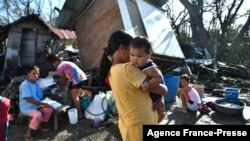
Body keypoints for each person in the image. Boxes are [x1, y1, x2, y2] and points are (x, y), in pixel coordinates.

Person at [100, 30, 168, 141]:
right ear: (122, 48)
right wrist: (161, 99)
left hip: (128, 123)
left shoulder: (111, 71)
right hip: (141, 124)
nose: (134, 58)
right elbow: (162, 90)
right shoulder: (127, 68)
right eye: (132, 53)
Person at [130, 36, 165, 123]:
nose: (135, 59)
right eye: (132, 55)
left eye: (139, 56)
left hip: (157, 97)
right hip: (148, 98)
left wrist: (149, 84)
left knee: (160, 112)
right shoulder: (136, 65)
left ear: (149, 55)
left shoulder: (150, 69)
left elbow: (159, 78)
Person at [47, 54, 87, 118]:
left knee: (75, 97)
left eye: (53, 64)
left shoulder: (59, 67)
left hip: (77, 80)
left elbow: (63, 79)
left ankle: (80, 114)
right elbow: (66, 76)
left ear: (55, 62)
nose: (53, 66)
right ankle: (78, 110)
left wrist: (60, 87)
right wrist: (58, 80)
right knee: (74, 95)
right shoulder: (64, 62)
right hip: (81, 77)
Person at [19, 66, 53, 140]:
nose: (36, 76)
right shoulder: (25, 85)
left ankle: (39, 125)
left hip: (36, 104)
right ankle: (28, 133)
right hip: (27, 107)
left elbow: (39, 95)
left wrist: (45, 102)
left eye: (37, 74)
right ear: (28, 74)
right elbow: (28, 99)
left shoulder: (36, 83)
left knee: (49, 109)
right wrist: (42, 104)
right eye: (33, 73)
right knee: (37, 114)